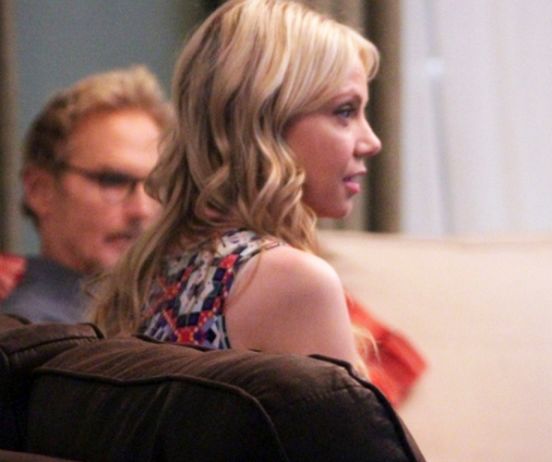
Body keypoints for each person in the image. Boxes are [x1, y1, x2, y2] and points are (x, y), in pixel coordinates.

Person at [91, 0, 381, 370]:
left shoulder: (151, 268)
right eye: (345, 111)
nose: (371, 142)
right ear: (265, 123)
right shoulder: (292, 279)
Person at [0, 66, 170, 323]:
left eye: (156, 186)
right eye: (112, 181)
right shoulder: (26, 327)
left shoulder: (170, 311)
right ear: (40, 190)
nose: (142, 210)